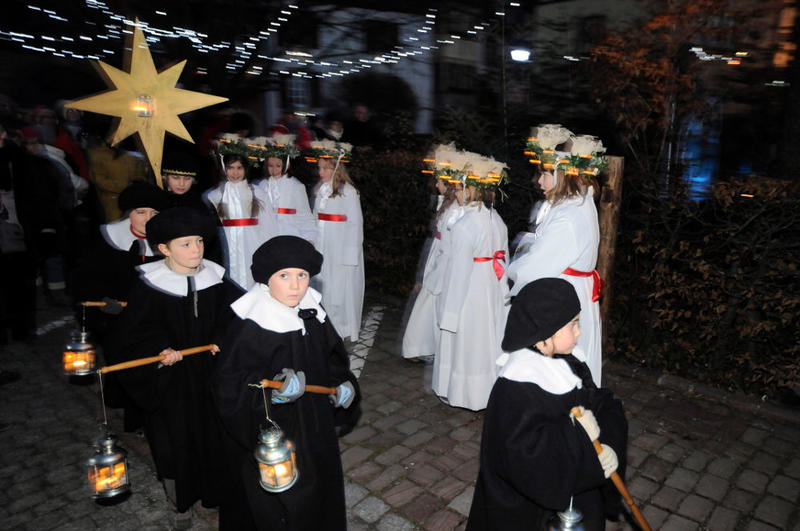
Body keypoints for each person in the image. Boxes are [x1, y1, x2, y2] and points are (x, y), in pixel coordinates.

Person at [213, 235, 361, 531]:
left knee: (319, 488)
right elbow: (230, 387)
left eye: (302, 275)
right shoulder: (251, 324)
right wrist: (273, 395)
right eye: (284, 276)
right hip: (276, 434)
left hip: (315, 423)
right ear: (267, 280)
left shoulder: (312, 312)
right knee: (284, 502)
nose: (296, 285)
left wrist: (343, 383)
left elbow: (333, 359)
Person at [111, 207, 243, 528]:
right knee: (175, 441)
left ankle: (215, 495)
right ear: (164, 249)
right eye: (185, 244)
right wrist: (159, 351)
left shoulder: (215, 276)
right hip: (171, 383)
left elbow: (237, 315)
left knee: (214, 437)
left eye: (199, 241)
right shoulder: (150, 284)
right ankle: (180, 500)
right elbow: (132, 334)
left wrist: (223, 339)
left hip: (210, 376)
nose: (196, 249)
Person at [466, 278, 627, 531]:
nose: (579, 332)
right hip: (528, 511)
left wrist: (607, 440)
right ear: (546, 332)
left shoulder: (570, 362)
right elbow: (530, 462)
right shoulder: (515, 389)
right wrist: (585, 444)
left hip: (575, 494)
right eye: (573, 325)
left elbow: (599, 401)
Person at [507, 125, 606, 386]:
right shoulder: (575, 202)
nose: (538, 181)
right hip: (570, 289)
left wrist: (513, 268)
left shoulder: (568, 216)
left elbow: (534, 269)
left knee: (561, 369)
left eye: (545, 173)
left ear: (562, 172)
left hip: (564, 298)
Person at [433, 147, 509, 411]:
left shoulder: (465, 226)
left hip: (470, 290)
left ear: (468, 188)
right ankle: (487, 391)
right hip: (489, 287)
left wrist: (448, 311)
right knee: (486, 340)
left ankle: (466, 394)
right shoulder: (497, 220)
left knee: (467, 343)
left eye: (458, 187)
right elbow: (503, 259)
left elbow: (458, 273)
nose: (455, 192)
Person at [402, 171, 459, 362]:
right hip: (438, 251)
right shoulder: (446, 203)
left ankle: (422, 347)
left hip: (444, 255)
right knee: (428, 298)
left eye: (440, 181)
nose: (436, 185)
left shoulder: (455, 208)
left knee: (430, 299)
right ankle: (420, 346)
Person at [310, 140, 364, 342]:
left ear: (337, 168)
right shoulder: (320, 190)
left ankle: (339, 329)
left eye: (326, 168)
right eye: (319, 168)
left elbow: (355, 225)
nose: (321, 172)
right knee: (323, 285)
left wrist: (350, 256)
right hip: (322, 245)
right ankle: (322, 326)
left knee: (339, 289)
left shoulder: (348, 192)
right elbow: (315, 217)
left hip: (339, 248)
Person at [205, 148, 278, 290]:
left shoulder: (258, 193)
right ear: (223, 169)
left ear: (246, 169)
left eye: (239, 168)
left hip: (252, 244)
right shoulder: (213, 195)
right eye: (230, 168)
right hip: (227, 247)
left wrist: (270, 250)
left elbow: (269, 224)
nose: (235, 173)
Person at [257, 134, 317, 242]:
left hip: (290, 234)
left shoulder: (296, 186)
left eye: (278, 165)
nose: (274, 169)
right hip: (267, 236)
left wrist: (309, 237)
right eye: (270, 165)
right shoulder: (262, 185)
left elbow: (304, 214)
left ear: (287, 165)